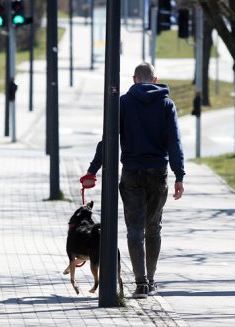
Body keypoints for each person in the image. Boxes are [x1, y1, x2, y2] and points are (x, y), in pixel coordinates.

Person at [80, 63, 185, 299]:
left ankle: (140, 283)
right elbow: (174, 142)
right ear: (155, 79)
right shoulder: (166, 104)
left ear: (135, 79)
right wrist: (180, 175)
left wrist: (92, 170)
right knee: (154, 227)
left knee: (135, 230)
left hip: (132, 172)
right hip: (158, 171)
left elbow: (109, 138)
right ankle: (151, 278)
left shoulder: (124, 103)